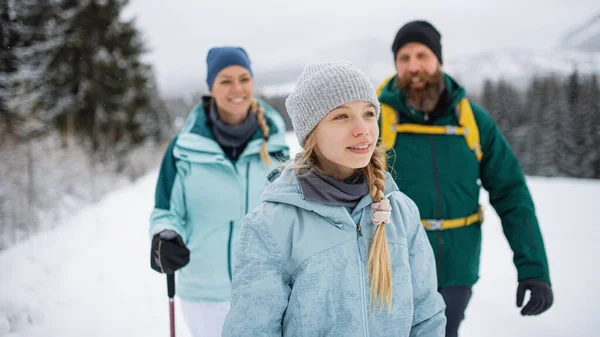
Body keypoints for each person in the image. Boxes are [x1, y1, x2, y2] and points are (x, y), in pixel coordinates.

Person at [222, 61, 446, 337]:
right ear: (311, 133)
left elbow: (427, 317)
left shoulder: (400, 212)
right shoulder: (272, 225)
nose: (362, 129)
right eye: (341, 116)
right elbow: (251, 330)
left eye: (368, 113)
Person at [376, 20, 553, 337]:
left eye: (422, 55)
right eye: (404, 58)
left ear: (438, 60)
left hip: (456, 270)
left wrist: (534, 268)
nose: (413, 66)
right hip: (390, 267)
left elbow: (511, 195)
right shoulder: (374, 119)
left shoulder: (474, 121)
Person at [148, 46, 289, 337]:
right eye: (225, 80)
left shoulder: (276, 146)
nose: (236, 88)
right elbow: (165, 212)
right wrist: (163, 238)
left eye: (243, 78)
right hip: (204, 295)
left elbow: (289, 214)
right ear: (210, 86)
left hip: (264, 292)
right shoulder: (182, 149)